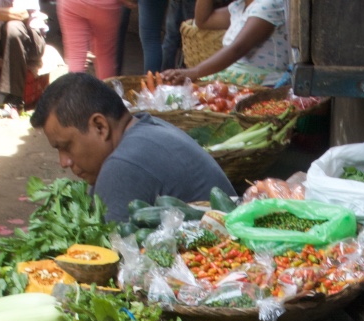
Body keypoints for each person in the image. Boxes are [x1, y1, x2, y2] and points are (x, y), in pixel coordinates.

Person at [30, 73, 235, 222]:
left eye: (66, 147)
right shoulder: (146, 128)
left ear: (100, 126)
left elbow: (107, 257)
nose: (64, 162)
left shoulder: (123, 165)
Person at [160, 0, 290, 87]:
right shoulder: (239, 7)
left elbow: (238, 48)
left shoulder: (268, 4)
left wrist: (194, 72)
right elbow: (203, 21)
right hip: (236, 81)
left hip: (262, 85)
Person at [57, 0, 123, 79]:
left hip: (72, 3)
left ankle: (75, 90)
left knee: (75, 57)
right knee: (105, 56)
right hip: (106, 5)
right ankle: (105, 89)